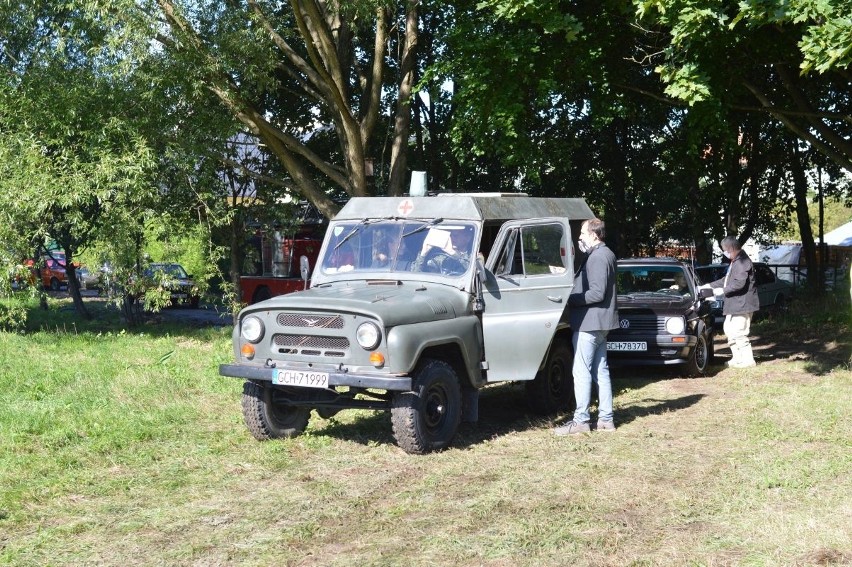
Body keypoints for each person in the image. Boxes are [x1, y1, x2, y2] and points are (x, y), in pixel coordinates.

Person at [554, 218, 619, 435]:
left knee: (581, 371)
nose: (579, 237)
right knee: (601, 371)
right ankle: (605, 420)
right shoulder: (605, 254)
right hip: (600, 323)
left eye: (582, 233)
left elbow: (597, 293)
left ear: (593, 234)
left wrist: (569, 298)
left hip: (589, 323)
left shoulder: (598, 257)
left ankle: (581, 421)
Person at [702, 236, 759, 368]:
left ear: (731, 248)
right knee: (729, 331)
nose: (724, 252)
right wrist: (709, 286)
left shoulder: (743, 262)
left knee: (739, 332)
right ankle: (737, 359)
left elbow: (739, 284)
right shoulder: (736, 261)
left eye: (724, 250)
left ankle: (748, 360)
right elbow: (726, 280)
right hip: (735, 304)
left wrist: (721, 291)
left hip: (742, 304)